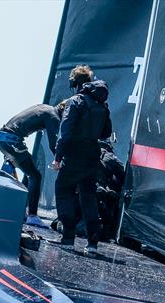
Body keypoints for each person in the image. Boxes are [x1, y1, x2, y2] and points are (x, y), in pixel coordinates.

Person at [52, 65, 112, 253]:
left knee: (63, 190)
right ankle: (92, 243)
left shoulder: (75, 101)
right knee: (88, 197)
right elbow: (106, 132)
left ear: (74, 82)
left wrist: (57, 157)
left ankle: (68, 237)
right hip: (92, 154)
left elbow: (65, 132)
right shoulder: (101, 104)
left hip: (74, 153)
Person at [0, 103, 63, 227]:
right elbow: (54, 145)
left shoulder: (45, 107)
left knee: (30, 173)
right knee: (35, 176)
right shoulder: (53, 116)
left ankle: (21, 210)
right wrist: (60, 160)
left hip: (5, 138)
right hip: (11, 140)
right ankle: (32, 215)